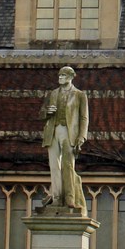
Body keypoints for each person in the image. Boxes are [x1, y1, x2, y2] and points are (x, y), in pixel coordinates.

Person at [42, 66, 89, 212]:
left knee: (68, 166)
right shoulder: (52, 94)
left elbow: (84, 117)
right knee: (54, 166)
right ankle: (56, 198)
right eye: (59, 75)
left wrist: (82, 136)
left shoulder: (80, 95)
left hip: (70, 133)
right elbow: (41, 112)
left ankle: (70, 198)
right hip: (53, 131)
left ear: (71, 77)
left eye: (63, 75)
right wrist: (46, 112)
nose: (60, 77)